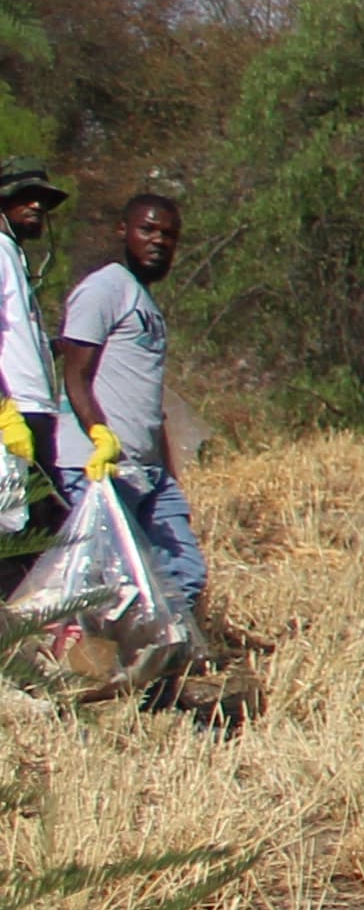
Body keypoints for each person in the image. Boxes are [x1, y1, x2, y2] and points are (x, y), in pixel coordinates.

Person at [59, 188, 198, 620]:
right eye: (148, 229)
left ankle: (153, 674)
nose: (159, 241)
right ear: (123, 231)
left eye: (169, 235)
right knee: (109, 583)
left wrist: (166, 466)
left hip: (147, 468)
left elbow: (147, 398)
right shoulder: (104, 289)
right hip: (100, 464)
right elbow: (75, 374)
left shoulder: (146, 303)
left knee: (183, 575)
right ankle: (93, 672)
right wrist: (99, 434)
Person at [0, 163, 67, 535]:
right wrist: (4, 412)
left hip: (35, 412)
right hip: (16, 414)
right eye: (24, 197)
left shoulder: (14, 256)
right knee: (26, 538)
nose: (37, 205)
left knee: (41, 534)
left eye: (42, 199)